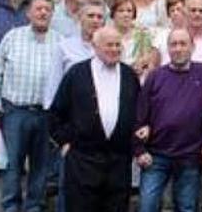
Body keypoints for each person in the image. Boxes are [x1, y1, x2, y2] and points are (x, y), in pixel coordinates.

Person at [48, 26, 141, 212]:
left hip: (118, 161)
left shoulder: (129, 76)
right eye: (109, 45)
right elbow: (56, 113)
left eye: (117, 45)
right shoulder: (77, 74)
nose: (114, 49)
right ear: (95, 46)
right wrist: (65, 141)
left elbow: (138, 112)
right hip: (83, 159)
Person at [0, 0, 61, 212]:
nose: (43, 13)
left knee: (41, 164)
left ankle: (34, 205)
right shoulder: (12, 37)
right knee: (13, 164)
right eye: (38, 9)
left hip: (45, 113)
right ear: (28, 13)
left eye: (47, 10)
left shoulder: (60, 42)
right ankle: (10, 205)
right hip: (15, 111)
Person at [136, 28, 202, 212]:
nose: (178, 48)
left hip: (190, 156)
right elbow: (140, 115)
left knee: (187, 207)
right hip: (156, 156)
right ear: (168, 48)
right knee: (146, 206)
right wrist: (139, 149)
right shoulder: (155, 76)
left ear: (192, 47)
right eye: (173, 44)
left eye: (183, 44)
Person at [43, 0, 107, 107]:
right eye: (90, 16)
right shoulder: (64, 47)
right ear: (80, 18)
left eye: (99, 17)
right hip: (71, 111)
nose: (95, 20)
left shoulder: (110, 49)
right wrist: (49, 111)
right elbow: (53, 83)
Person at [111, 0, 159, 80]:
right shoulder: (107, 35)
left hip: (137, 78)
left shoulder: (143, 34)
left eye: (129, 11)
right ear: (113, 14)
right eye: (121, 11)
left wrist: (142, 63)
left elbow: (148, 58)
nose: (125, 14)